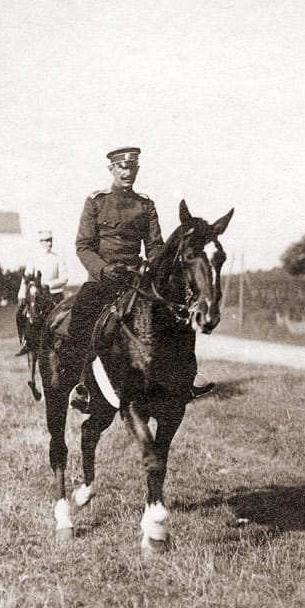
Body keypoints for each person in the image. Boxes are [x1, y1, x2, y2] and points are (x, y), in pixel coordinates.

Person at [68, 146, 213, 412]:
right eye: (121, 167)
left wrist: (152, 269)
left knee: (173, 314)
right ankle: (80, 385)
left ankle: (187, 376)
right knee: (81, 314)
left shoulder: (145, 205)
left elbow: (156, 246)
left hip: (136, 281)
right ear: (111, 169)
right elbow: (84, 246)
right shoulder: (96, 201)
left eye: (131, 167)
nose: (127, 172)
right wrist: (102, 269)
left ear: (137, 169)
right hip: (102, 280)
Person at [15, 229, 69, 355]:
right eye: (46, 241)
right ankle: (27, 341)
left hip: (54, 294)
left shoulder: (58, 258)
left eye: (50, 240)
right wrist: (21, 292)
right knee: (21, 314)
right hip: (38, 296)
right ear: (41, 242)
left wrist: (50, 284)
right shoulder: (34, 258)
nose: (49, 243)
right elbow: (27, 277)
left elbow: (65, 277)